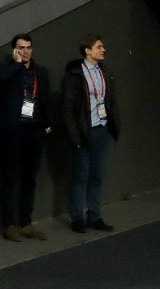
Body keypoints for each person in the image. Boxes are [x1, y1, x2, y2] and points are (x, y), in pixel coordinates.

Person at [0, 33, 51, 242]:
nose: (25, 51)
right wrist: (16, 65)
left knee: (30, 179)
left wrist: (47, 126)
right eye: (21, 48)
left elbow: (45, 98)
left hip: (34, 131)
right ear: (14, 50)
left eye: (28, 47)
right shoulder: (6, 69)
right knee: (10, 179)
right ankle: (9, 225)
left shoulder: (40, 72)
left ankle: (26, 223)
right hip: (13, 131)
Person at [61, 32, 120, 233]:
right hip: (84, 132)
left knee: (97, 175)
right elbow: (67, 109)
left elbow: (110, 101)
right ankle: (78, 217)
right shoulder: (75, 75)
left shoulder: (104, 72)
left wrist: (113, 125)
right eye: (99, 47)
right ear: (88, 51)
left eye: (103, 47)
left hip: (101, 130)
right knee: (80, 175)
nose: (103, 50)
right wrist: (75, 137)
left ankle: (94, 216)